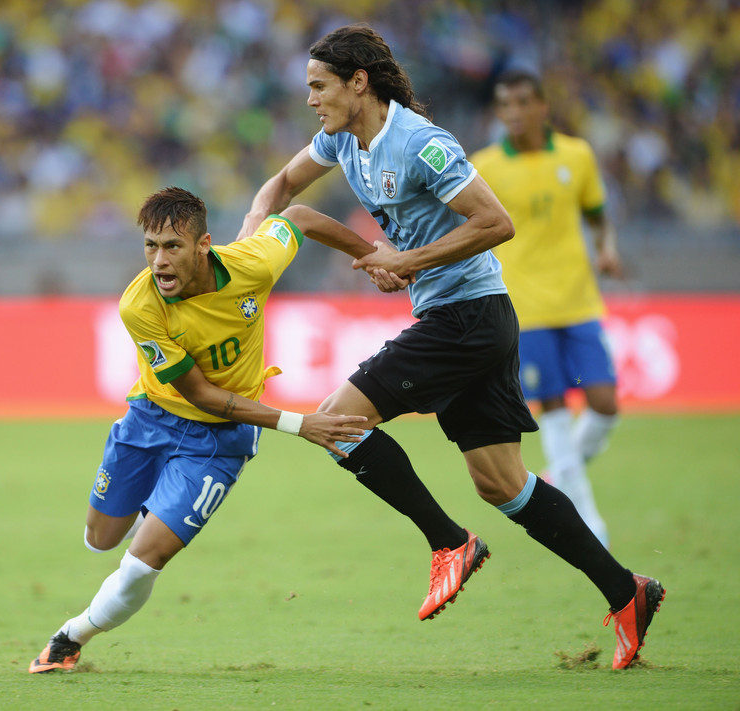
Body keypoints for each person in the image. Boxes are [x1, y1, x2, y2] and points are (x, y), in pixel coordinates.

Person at [238, 24, 663, 669]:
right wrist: (248, 246)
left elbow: (496, 222)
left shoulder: (419, 144)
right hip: (470, 319)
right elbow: (279, 192)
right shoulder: (340, 139)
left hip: (466, 317)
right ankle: (626, 590)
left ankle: (449, 543)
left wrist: (408, 260)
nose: (310, 99)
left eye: (319, 86)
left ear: (359, 83)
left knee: (336, 422)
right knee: (502, 483)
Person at [29, 186, 387, 673]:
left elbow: (300, 217)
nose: (159, 261)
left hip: (218, 442)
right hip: (150, 420)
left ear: (204, 245)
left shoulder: (251, 265)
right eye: (150, 246)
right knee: (99, 539)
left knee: (142, 561)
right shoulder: (140, 306)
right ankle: (152, 506)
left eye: (172, 247)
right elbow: (200, 393)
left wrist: (375, 257)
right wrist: (300, 424)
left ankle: (70, 638)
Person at [470, 70, 623, 548]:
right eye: (504, 106)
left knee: (605, 406)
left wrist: (607, 248)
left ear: (541, 106)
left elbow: (597, 216)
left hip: (578, 299)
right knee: (553, 410)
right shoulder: (484, 165)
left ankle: (561, 470)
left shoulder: (576, 155)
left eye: (521, 103)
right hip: (525, 306)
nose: (513, 113)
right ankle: (591, 525)